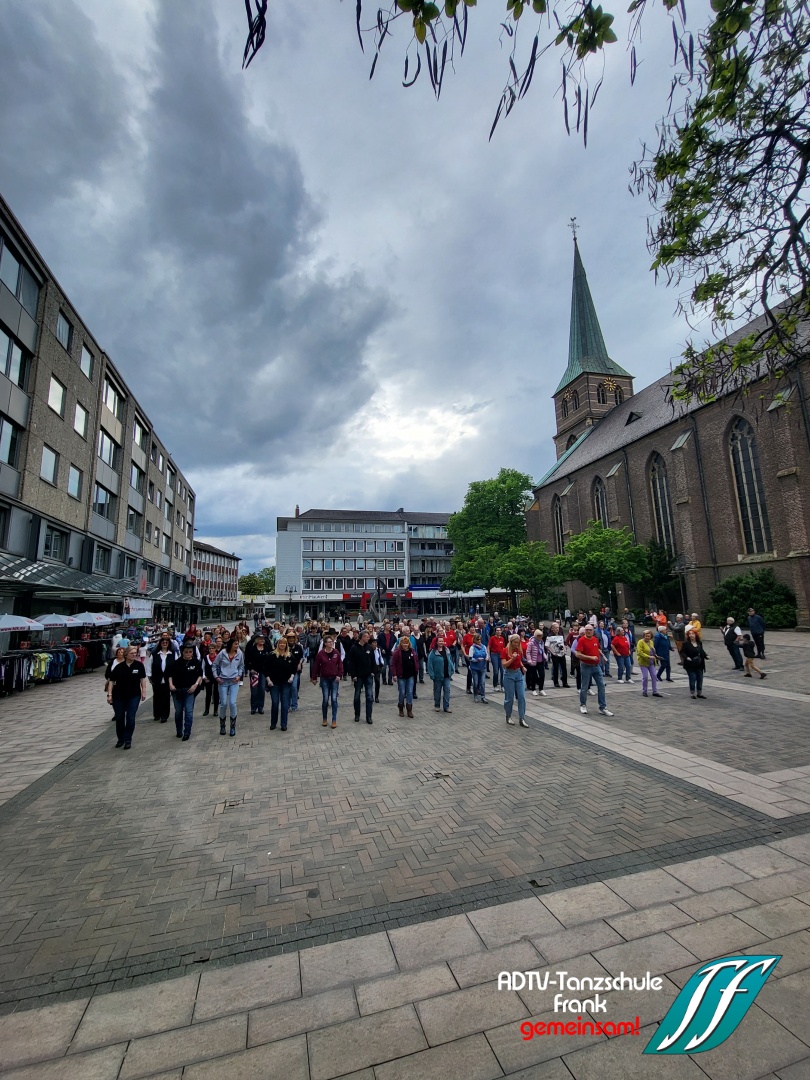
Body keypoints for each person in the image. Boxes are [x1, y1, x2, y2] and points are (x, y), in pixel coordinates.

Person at [106, 645, 147, 749]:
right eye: (132, 653)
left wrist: (144, 691)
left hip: (134, 695)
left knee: (130, 718)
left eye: (135, 653)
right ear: (126, 654)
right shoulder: (119, 667)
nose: (134, 655)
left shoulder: (139, 665)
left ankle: (128, 739)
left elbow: (142, 679)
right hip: (119, 696)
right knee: (119, 718)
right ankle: (121, 738)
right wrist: (110, 694)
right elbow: (111, 681)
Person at [574, 625, 613, 717]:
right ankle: (583, 705)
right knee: (584, 687)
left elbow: (597, 648)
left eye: (590, 630)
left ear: (593, 631)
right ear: (585, 631)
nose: (589, 631)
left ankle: (602, 707)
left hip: (596, 666)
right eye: (587, 630)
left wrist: (603, 656)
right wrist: (590, 657)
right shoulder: (582, 640)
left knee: (601, 685)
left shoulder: (595, 639)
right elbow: (578, 654)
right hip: (586, 666)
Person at [169, 643, 203, 740]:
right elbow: (170, 675)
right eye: (186, 652)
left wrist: (195, 685)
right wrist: (171, 685)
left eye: (190, 652)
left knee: (188, 711)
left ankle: (187, 732)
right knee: (178, 712)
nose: (188, 654)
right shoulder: (176, 663)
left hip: (190, 690)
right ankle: (179, 730)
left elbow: (200, 675)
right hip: (177, 690)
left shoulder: (195, 662)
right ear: (182, 652)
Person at [311, 633, 343, 728]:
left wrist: (339, 675)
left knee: (334, 699)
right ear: (325, 643)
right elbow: (316, 666)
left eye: (332, 642)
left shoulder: (336, 652)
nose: (331, 643)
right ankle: (324, 718)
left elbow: (340, 665)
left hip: (334, 678)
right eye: (329, 642)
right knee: (325, 699)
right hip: (324, 678)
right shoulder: (321, 654)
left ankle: (334, 719)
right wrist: (314, 677)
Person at [214, 638, 244, 737]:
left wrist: (239, 675)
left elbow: (241, 666)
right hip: (223, 681)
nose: (237, 646)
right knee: (223, 703)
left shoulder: (239, 653)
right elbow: (214, 665)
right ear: (231, 644)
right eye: (235, 644)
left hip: (234, 681)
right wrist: (216, 677)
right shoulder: (222, 653)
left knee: (232, 702)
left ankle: (232, 726)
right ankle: (222, 725)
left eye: (238, 644)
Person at [266, 636, 297, 731]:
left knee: (285, 704)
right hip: (274, 683)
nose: (282, 645)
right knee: (275, 703)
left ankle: (284, 724)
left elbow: (294, 668)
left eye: (284, 643)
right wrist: (268, 680)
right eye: (280, 643)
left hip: (285, 683)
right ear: (277, 644)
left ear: (286, 645)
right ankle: (273, 723)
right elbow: (266, 669)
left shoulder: (290, 656)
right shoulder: (272, 655)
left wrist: (292, 677)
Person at [349, 630, 378, 724]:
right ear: (361, 637)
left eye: (368, 636)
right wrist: (353, 675)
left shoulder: (369, 648)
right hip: (358, 676)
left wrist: (373, 671)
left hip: (368, 675)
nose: (368, 638)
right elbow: (351, 662)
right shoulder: (354, 648)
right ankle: (357, 714)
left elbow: (373, 661)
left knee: (369, 696)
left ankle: (369, 716)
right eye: (366, 636)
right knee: (357, 696)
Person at [502, 634, 529, 727]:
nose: (516, 644)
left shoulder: (519, 650)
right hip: (509, 674)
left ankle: (522, 718)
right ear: (511, 642)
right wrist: (512, 658)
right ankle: (508, 716)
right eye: (515, 642)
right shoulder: (505, 650)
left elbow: (519, 660)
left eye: (518, 643)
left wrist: (522, 666)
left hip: (518, 674)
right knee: (509, 698)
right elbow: (504, 665)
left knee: (521, 697)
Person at [149, 633, 176, 723]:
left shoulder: (173, 654)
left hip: (168, 679)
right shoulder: (154, 654)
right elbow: (149, 666)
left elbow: (176, 666)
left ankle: (164, 715)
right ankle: (157, 714)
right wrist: (149, 677)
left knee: (166, 697)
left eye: (166, 642)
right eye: (163, 642)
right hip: (156, 678)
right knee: (157, 696)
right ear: (160, 644)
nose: (164, 643)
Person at [391, 634, 419, 717]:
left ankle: (409, 709)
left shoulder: (412, 651)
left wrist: (416, 669)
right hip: (401, 675)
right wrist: (394, 675)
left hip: (410, 675)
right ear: (401, 644)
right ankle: (400, 707)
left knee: (410, 692)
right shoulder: (397, 652)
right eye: (403, 643)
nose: (405, 645)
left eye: (406, 643)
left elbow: (416, 661)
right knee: (402, 692)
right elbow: (393, 664)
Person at [427, 636, 455, 712]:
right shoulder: (433, 652)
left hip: (447, 675)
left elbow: (450, 660)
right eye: (439, 641)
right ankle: (437, 705)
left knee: (447, 691)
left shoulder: (447, 650)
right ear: (436, 642)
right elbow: (429, 664)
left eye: (442, 641)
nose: (441, 642)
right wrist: (431, 674)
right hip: (437, 676)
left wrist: (452, 669)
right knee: (437, 691)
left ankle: (446, 707)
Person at [682, 629, 709, 698]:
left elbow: (702, 651)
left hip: (699, 664)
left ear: (695, 635)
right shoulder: (686, 643)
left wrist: (706, 656)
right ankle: (692, 693)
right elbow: (682, 652)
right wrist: (686, 657)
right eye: (690, 634)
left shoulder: (699, 643)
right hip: (690, 664)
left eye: (693, 634)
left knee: (700, 679)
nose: (691, 635)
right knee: (692, 678)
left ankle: (699, 693)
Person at [636, 629, 663, 697]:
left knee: (654, 676)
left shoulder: (651, 642)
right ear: (643, 636)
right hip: (643, 662)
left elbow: (652, 651)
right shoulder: (640, 642)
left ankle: (655, 691)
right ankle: (644, 691)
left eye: (649, 636)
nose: (647, 637)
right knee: (645, 677)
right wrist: (649, 656)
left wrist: (656, 656)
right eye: (646, 636)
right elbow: (639, 652)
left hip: (651, 662)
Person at [248, 634, 270, 714]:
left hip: (263, 672)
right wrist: (250, 669)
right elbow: (247, 660)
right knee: (254, 691)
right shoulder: (252, 649)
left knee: (262, 690)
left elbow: (270, 659)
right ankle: (253, 707)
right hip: (254, 672)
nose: (262, 640)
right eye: (260, 639)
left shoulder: (267, 648)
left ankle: (261, 707)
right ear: (257, 640)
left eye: (263, 639)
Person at [105, 646, 126, 721]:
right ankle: (117, 713)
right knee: (114, 699)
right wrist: (109, 678)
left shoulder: (127, 661)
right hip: (114, 683)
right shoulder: (113, 661)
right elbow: (107, 672)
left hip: (124, 684)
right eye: (119, 652)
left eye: (122, 652)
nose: (120, 654)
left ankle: (123, 711)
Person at [285, 630, 305, 710]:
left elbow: (302, 657)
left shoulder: (298, 647)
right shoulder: (285, 647)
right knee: (287, 688)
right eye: (289, 638)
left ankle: (294, 705)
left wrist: (300, 664)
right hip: (286, 670)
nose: (291, 640)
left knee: (294, 687)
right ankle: (287, 704)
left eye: (292, 638)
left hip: (295, 670)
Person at [545, 623, 568, 688]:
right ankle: (556, 682)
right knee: (556, 668)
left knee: (564, 668)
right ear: (552, 629)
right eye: (556, 628)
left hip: (562, 654)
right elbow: (546, 645)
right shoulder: (549, 636)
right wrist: (552, 652)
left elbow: (563, 643)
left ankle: (565, 682)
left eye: (558, 627)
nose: (557, 629)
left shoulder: (561, 635)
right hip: (555, 655)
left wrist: (565, 649)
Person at [467, 632, 488, 702]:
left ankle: (483, 696)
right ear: (475, 640)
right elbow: (470, 658)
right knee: (475, 683)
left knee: (482, 683)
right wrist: (476, 660)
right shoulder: (472, 647)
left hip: (482, 667)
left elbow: (486, 654)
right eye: (477, 639)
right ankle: (475, 695)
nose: (479, 641)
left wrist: (487, 658)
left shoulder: (484, 647)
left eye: (480, 639)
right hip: (475, 668)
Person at [525, 629, 547, 697]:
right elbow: (528, 652)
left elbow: (542, 650)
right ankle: (533, 689)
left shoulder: (541, 642)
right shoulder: (531, 643)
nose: (540, 637)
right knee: (534, 676)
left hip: (541, 661)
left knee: (542, 675)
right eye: (539, 636)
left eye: (541, 636)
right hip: (534, 661)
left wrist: (545, 656)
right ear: (536, 636)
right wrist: (529, 660)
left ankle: (541, 689)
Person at [202, 642, 220, 716]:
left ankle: (215, 710)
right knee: (208, 694)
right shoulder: (205, 658)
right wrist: (204, 677)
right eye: (210, 648)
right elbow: (202, 669)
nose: (211, 650)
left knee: (216, 694)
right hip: (208, 678)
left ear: (215, 649)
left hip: (216, 677)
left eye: (213, 648)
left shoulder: (218, 657)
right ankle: (207, 710)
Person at [488, 627, 506, 693]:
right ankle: (495, 685)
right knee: (496, 671)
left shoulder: (502, 638)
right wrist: (488, 655)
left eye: (499, 630)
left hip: (501, 655)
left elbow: (503, 647)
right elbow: (489, 646)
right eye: (497, 630)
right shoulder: (492, 638)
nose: (498, 632)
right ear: (495, 631)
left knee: (502, 671)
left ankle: (503, 686)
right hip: (494, 654)